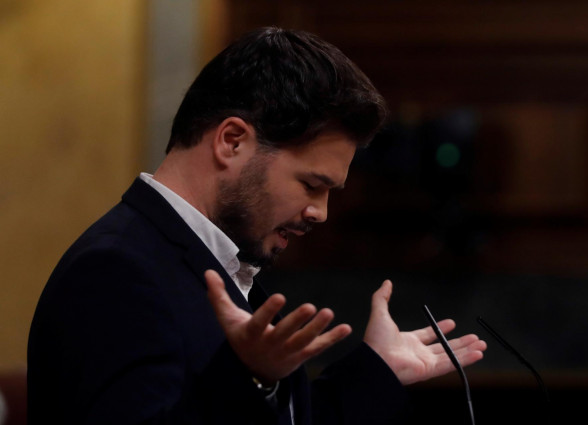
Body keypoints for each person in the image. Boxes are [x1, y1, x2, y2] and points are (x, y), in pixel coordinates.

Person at [27, 27, 486, 425]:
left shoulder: (228, 267)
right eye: (311, 184)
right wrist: (249, 376)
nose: (320, 213)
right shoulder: (114, 271)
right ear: (232, 141)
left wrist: (378, 370)